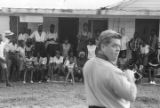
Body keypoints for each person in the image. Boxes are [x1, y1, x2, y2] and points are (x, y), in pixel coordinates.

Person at [83, 30, 137, 108]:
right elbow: (131, 96)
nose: (118, 49)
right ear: (103, 46)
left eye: (119, 46)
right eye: (114, 46)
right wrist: (131, 78)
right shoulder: (112, 71)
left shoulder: (88, 64)